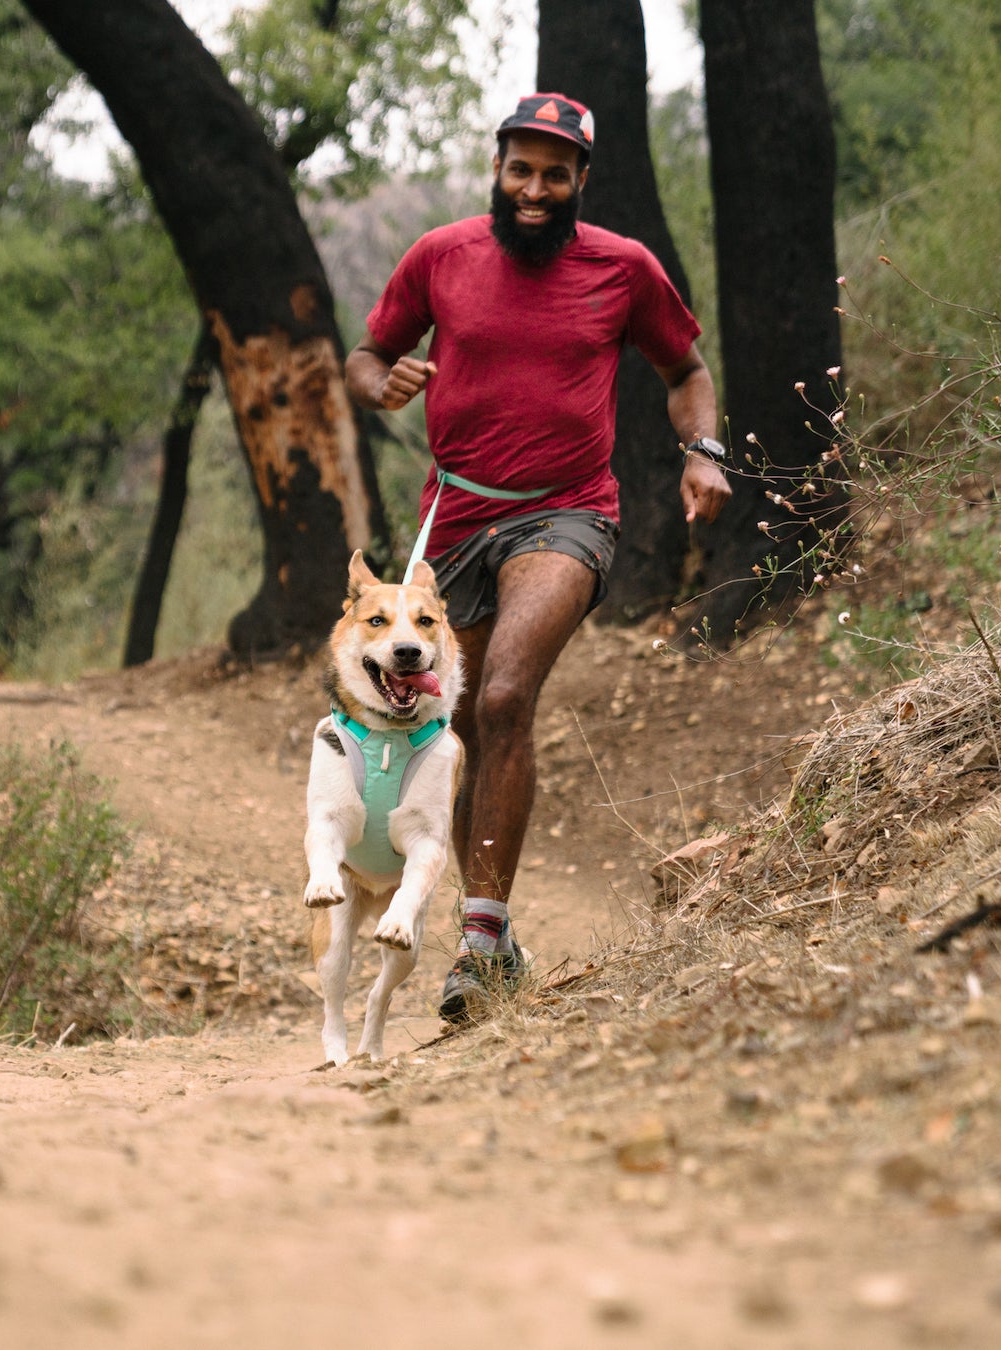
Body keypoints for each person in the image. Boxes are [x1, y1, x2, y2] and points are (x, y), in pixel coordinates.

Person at [344, 93, 732, 1023]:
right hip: (455, 523)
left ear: (581, 183)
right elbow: (366, 356)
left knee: (508, 694)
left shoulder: (624, 269)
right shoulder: (441, 257)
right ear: (498, 167)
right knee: (467, 722)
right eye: (521, 168)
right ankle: (505, 944)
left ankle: (477, 944)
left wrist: (703, 449)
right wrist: (382, 382)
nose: (535, 188)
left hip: (569, 514)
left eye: (555, 174)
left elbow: (685, 372)